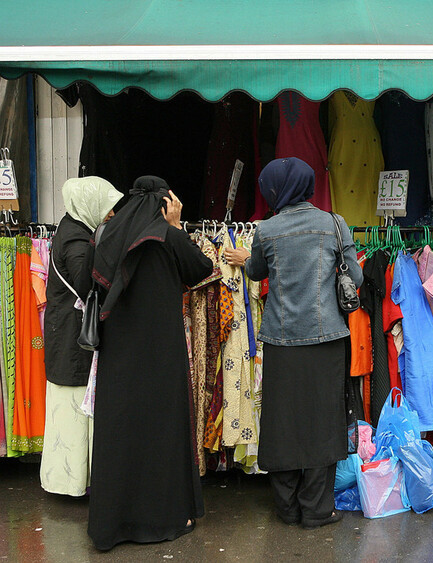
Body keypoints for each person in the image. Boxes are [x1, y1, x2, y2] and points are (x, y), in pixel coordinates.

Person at [225, 157, 363, 530]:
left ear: (276, 189)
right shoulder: (334, 224)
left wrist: (246, 258)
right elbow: (358, 275)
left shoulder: (267, 230)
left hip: (282, 341)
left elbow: (255, 271)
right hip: (327, 340)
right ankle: (317, 509)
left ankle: (286, 507)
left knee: (284, 423)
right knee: (322, 422)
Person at [87, 177, 213, 551]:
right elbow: (201, 268)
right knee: (162, 433)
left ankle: (110, 526)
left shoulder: (107, 235)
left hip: (117, 356)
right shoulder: (167, 235)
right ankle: (162, 518)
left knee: (119, 433)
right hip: (161, 354)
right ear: (165, 204)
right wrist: (175, 227)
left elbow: (89, 282)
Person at [41, 177, 123, 497]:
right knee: (74, 408)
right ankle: (74, 483)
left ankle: (73, 481)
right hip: (73, 340)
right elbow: (87, 285)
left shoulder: (72, 228)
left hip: (66, 334)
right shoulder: (77, 240)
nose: (113, 214)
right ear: (89, 205)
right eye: (107, 207)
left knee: (71, 408)